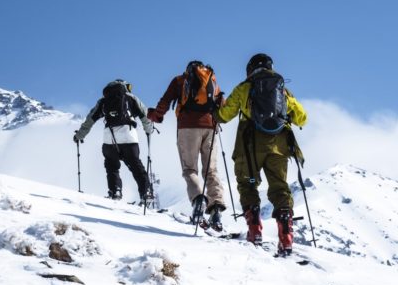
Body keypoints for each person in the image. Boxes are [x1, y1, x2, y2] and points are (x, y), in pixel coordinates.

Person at [214, 53, 307, 254]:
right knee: (280, 188)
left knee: (247, 185)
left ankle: (254, 230)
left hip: (249, 146)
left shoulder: (244, 88)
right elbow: (302, 118)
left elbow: (224, 115)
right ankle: (286, 239)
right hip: (279, 146)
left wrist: (215, 109)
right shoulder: (282, 90)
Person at [147, 61, 226, 230]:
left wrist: (155, 116)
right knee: (211, 170)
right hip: (210, 127)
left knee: (190, 169)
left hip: (187, 127)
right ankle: (216, 208)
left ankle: (198, 201)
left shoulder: (180, 80)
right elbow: (221, 103)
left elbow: (165, 101)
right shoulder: (212, 79)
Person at [73, 79, 154, 204]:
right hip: (129, 137)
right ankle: (146, 192)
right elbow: (145, 115)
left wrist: (80, 136)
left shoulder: (103, 101)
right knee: (136, 166)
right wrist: (149, 130)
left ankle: (115, 191)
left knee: (112, 167)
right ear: (126, 87)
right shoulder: (131, 98)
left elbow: (90, 119)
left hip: (109, 139)